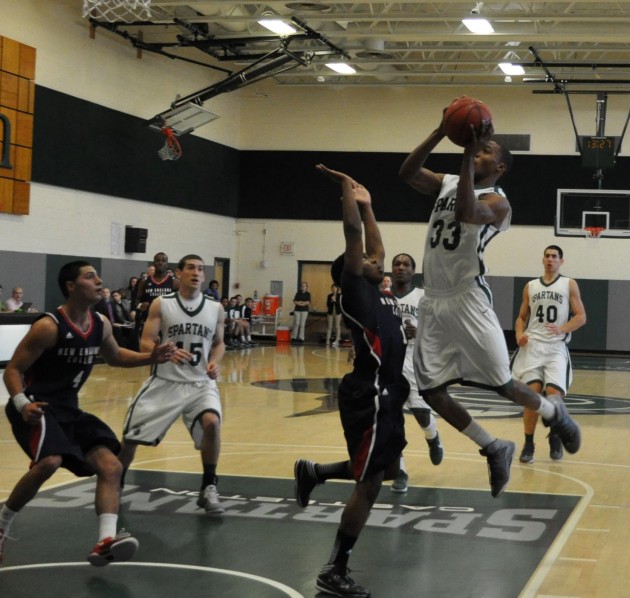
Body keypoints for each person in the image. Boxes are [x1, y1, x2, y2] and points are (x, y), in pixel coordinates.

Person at [398, 104, 581, 498]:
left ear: (498, 168)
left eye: (485, 152)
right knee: (430, 392)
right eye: (477, 149)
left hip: (468, 298)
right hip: (434, 298)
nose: (479, 153)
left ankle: (553, 412)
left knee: (501, 383)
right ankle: (493, 445)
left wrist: (465, 152)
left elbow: (467, 212)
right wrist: (438, 129)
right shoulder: (449, 180)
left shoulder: (500, 203)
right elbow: (407, 174)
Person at [0, 261, 175, 566]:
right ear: (71, 286)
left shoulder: (101, 323)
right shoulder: (49, 326)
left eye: (97, 276)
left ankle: (104, 541)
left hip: (68, 409)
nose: (99, 281)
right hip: (34, 406)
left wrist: (152, 356)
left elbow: (116, 356)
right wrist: (21, 404)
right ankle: (1, 525)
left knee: (111, 466)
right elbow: (13, 370)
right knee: (50, 462)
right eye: (90, 276)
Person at [294, 164, 409, 598]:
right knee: (371, 481)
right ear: (356, 267)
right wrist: (347, 191)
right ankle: (334, 568)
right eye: (371, 260)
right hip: (371, 392)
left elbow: (373, 242)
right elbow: (353, 234)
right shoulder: (356, 286)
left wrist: (370, 205)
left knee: (387, 467)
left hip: (389, 390)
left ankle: (316, 472)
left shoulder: (376, 285)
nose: (380, 261)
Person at [118, 254, 226, 515]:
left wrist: (214, 361)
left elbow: (220, 342)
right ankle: (115, 482)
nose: (197, 273)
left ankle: (209, 486)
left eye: (200, 269)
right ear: (178, 273)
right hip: (165, 380)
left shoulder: (215, 308)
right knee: (131, 438)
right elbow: (146, 341)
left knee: (212, 422)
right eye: (191, 268)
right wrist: (161, 351)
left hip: (200, 383)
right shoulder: (161, 303)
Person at [512, 245, 587, 463]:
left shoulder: (569, 284)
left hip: (555, 347)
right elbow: (521, 317)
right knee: (533, 397)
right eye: (547, 256)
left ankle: (554, 437)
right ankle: (528, 443)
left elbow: (581, 316)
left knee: (554, 397)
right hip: (533, 347)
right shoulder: (531, 286)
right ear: (542, 259)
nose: (550, 259)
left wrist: (562, 329)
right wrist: (519, 334)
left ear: (561, 261)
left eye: (554, 256)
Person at [389, 253, 444, 494]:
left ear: (413, 271)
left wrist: (419, 331)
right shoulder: (383, 296)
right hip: (389, 361)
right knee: (390, 418)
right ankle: (399, 470)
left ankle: (432, 437)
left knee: (421, 413)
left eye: (406, 265)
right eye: (397, 264)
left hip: (415, 359)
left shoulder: (424, 297)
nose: (401, 267)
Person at [133, 252, 178, 341]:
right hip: (149, 321)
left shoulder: (175, 282)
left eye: (163, 261)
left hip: (168, 323)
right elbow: (136, 299)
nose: (160, 263)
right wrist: (140, 306)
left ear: (167, 264)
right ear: (153, 264)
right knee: (148, 352)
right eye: (157, 261)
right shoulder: (144, 282)